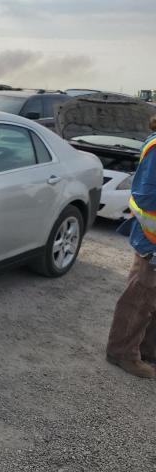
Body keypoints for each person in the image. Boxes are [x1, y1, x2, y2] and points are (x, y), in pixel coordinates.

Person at [107, 115, 156, 378]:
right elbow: (146, 196)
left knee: (152, 300)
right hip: (152, 242)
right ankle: (122, 353)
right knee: (138, 299)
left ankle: (148, 350)